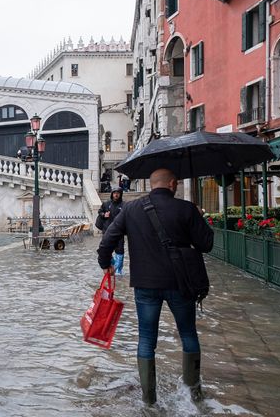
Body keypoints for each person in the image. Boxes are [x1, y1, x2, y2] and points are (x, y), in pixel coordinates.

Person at [97, 168, 213, 405]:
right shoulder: (186, 208)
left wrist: (106, 264)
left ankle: (149, 400)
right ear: (172, 184)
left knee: (146, 339)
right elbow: (206, 244)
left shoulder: (131, 209)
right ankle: (193, 394)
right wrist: (198, 215)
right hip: (181, 284)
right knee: (188, 333)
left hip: (146, 284)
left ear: (152, 185)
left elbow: (107, 239)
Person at [97, 187, 125, 275]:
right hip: (107, 231)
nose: (116, 194)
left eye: (118, 193)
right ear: (112, 194)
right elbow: (100, 212)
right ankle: (111, 265)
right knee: (104, 249)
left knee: (120, 251)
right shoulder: (106, 204)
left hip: (120, 232)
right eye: (114, 193)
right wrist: (104, 214)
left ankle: (118, 271)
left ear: (120, 194)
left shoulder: (124, 205)